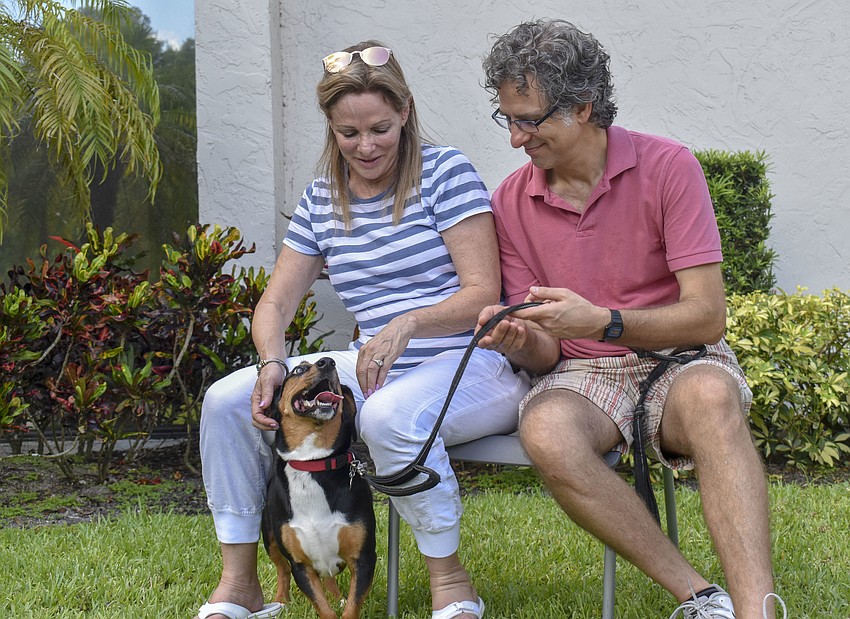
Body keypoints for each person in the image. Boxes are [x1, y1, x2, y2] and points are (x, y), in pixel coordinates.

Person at [195, 40, 528, 619]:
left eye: (379, 128)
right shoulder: (323, 198)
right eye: (349, 133)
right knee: (225, 399)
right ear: (330, 127)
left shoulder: (445, 172)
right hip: (375, 366)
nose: (366, 146)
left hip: (473, 363)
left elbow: (484, 293)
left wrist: (408, 323)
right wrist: (273, 363)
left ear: (405, 112)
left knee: (385, 415)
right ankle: (240, 583)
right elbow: (273, 304)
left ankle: (452, 585)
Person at [475, 19, 786, 619]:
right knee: (544, 429)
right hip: (585, 375)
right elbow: (547, 353)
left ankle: (757, 609)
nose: (515, 138)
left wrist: (603, 322)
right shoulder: (510, 201)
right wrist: (519, 339)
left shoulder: (669, 167)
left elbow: (707, 318)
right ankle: (699, 596)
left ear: (583, 107)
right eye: (506, 118)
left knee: (712, 396)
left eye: (529, 120)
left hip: (677, 357)